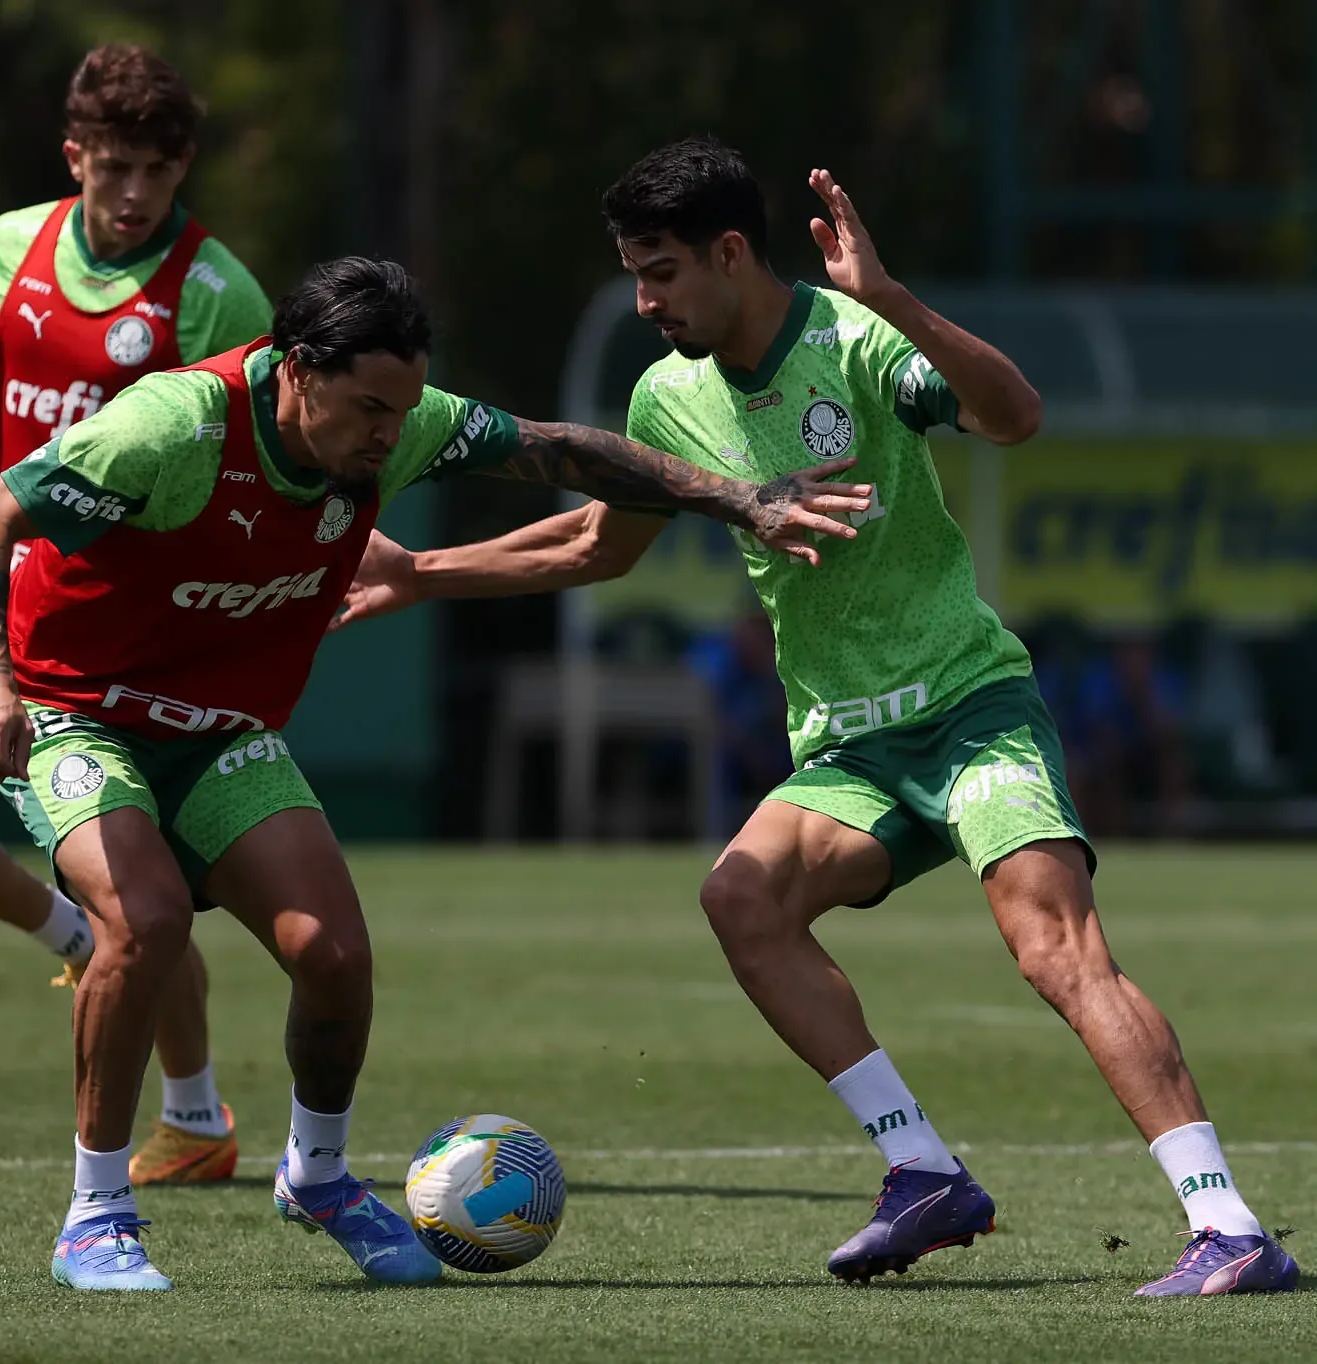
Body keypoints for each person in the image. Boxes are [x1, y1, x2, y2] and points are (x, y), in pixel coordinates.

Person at [334, 138, 1298, 1298]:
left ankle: (1228, 1225)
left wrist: (889, 298)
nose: (645, 302)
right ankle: (922, 1169)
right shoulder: (667, 396)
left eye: (662, 272)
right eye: (635, 274)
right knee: (743, 895)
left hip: (968, 705)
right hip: (846, 746)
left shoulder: (856, 342)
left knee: (1055, 949)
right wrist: (422, 571)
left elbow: (1015, 416)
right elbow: (601, 541)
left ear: (732, 253)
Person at [0, 255, 871, 1292]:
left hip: (221, 733)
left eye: (403, 408)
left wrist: (745, 500)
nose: (389, 433)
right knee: (146, 921)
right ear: (297, 372)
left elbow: (564, 451)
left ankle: (321, 1175)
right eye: (368, 408)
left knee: (335, 955)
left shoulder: (405, 420)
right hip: (80, 714)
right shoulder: (174, 427)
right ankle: (97, 1212)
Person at [0, 45, 269, 1189]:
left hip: (128, 634)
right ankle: (69, 941)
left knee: (142, 895)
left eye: (158, 171)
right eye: (113, 166)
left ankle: (197, 1114)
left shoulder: (218, 293)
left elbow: (264, 452)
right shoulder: (12, 244)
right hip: (5, 600)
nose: (133, 193)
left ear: (184, 170)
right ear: (75, 155)